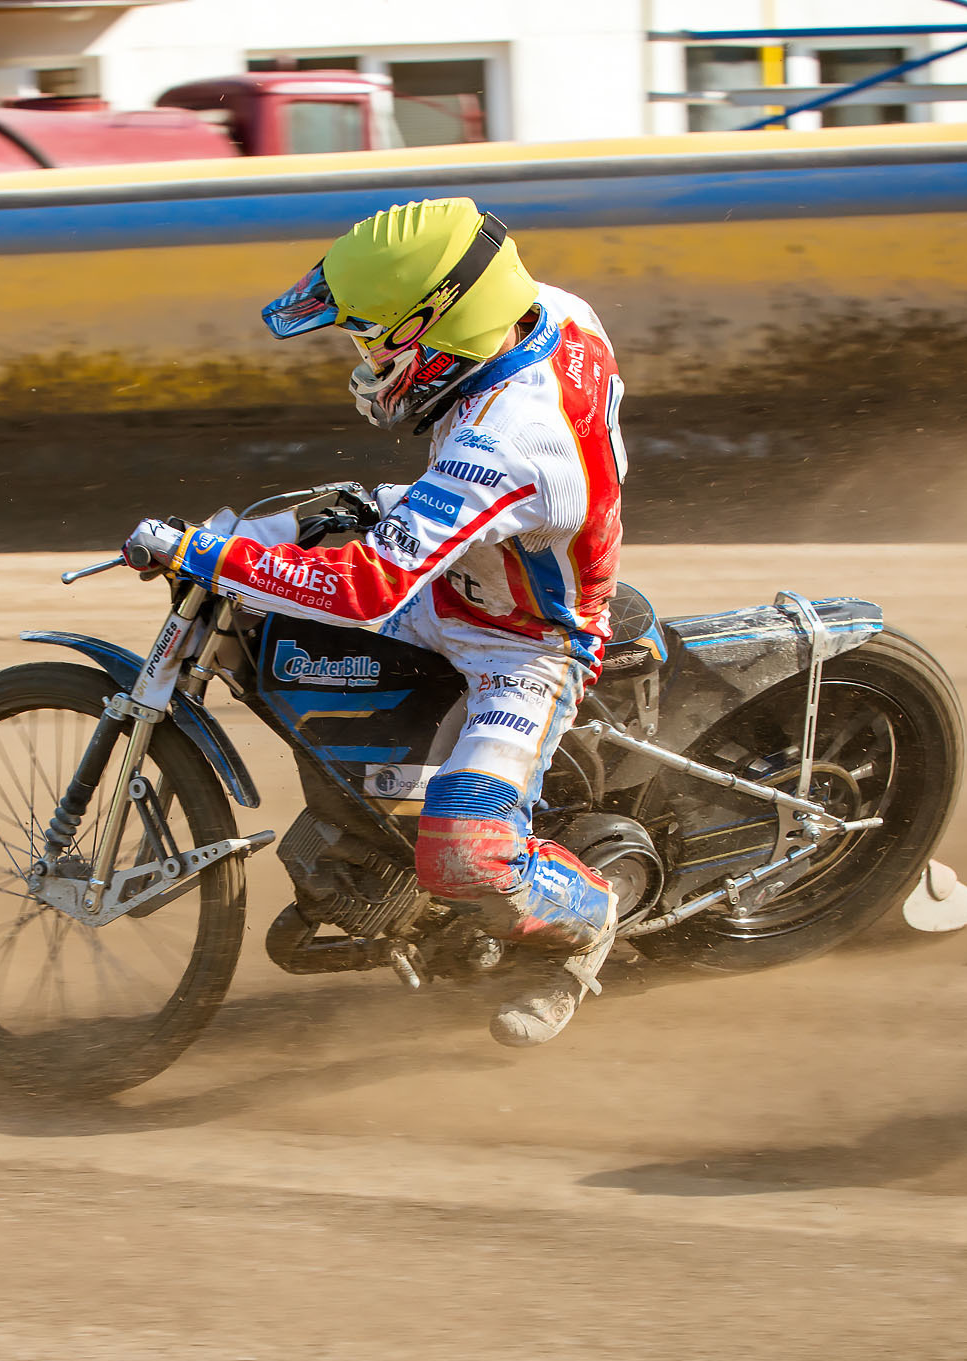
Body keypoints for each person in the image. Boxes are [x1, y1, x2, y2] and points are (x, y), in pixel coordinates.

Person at [122, 197, 627, 1048]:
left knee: (464, 853)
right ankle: (362, 834)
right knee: (272, 583)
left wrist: (205, 556)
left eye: (374, 341)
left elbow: (367, 589)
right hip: (468, 558)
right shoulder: (543, 309)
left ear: (443, 326)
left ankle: (593, 915)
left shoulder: (513, 437)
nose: (365, 361)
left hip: (526, 641)